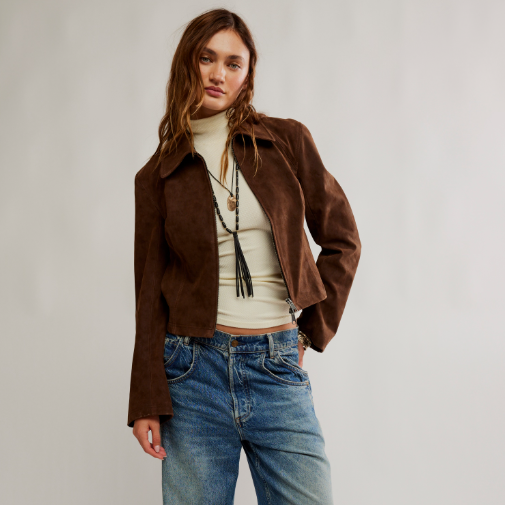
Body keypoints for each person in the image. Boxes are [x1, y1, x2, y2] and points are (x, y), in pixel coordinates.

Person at [127, 8, 361, 505]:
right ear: (187, 64)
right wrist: (145, 398)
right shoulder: (158, 175)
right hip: (192, 373)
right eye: (207, 58)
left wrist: (309, 332)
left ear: (247, 73)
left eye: (233, 63)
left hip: (277, 365)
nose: (218, 73)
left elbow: (343, 240)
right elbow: (148, 295)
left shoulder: (286, 141)